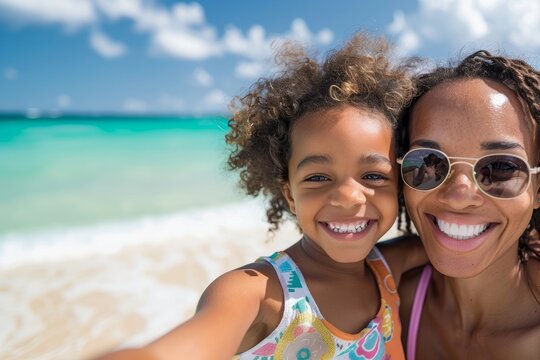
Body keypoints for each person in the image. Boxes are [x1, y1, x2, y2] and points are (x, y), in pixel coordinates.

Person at [97, 32, 426, 360]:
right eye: (317, 177)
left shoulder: (388, 269)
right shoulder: (257, 293)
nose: (348, 197)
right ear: (289, 195)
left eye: (373, 176)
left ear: (398, 185)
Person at [395, 50, 540, 359]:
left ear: (538, 188)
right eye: (428, 163)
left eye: (500, 167)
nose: (459, 195)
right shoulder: (388, 304)